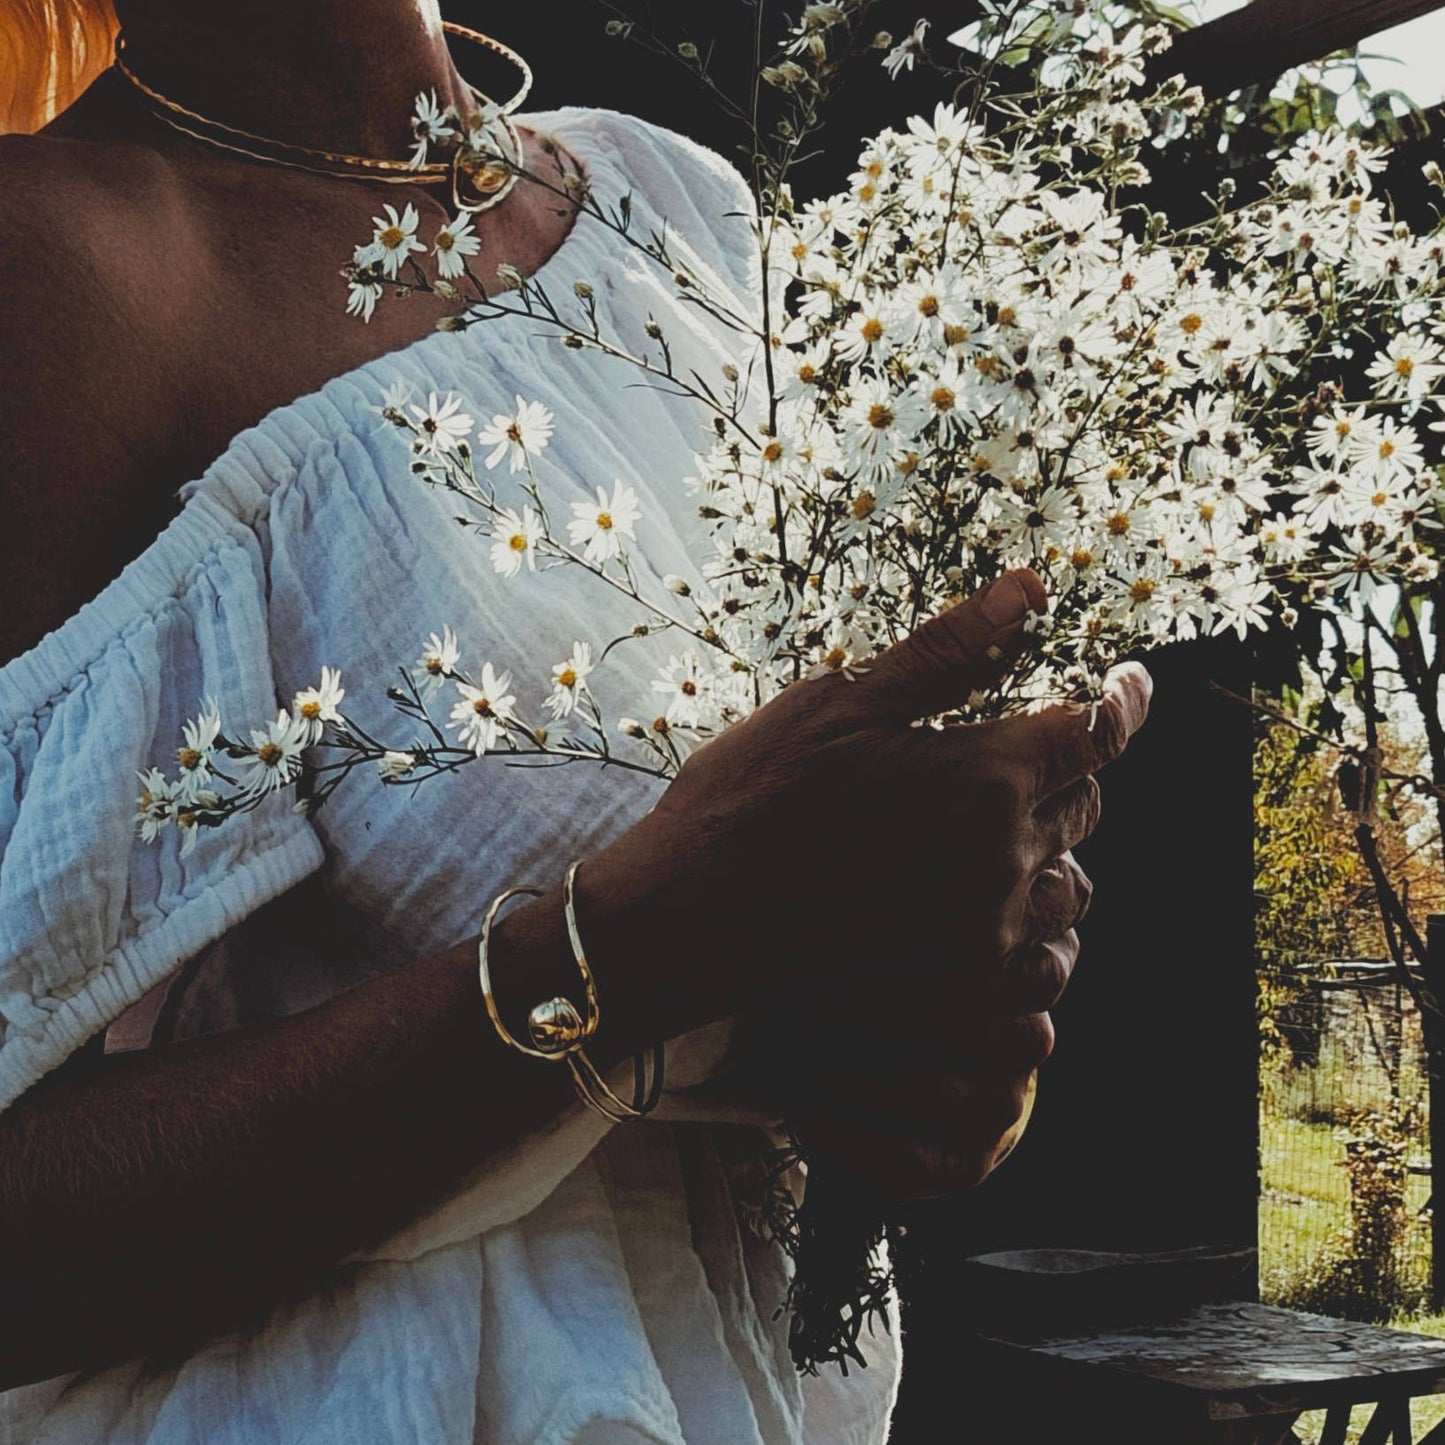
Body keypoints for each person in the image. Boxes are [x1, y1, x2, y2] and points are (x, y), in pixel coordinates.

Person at [0, 2, 1151, 1440]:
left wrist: (943, 1047)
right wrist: (627, 951)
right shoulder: (49, 270)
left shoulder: (678, 206)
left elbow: (824, 979)